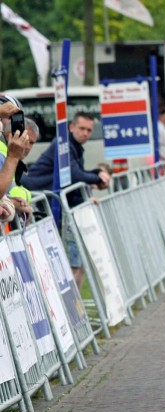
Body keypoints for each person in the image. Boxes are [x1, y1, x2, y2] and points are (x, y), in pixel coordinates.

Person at [22, 112, 112, 289]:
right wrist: (97, 177)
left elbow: (75, 174)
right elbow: (74, 174)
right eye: (82, 128)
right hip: (44, 202)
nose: (85, 133)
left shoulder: (74, 145)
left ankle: (74, 306)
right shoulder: (63, 144)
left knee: (76, 261)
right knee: (60, 262)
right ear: (71, 127)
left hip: (58, 204)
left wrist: (93, 179)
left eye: (89, 130)